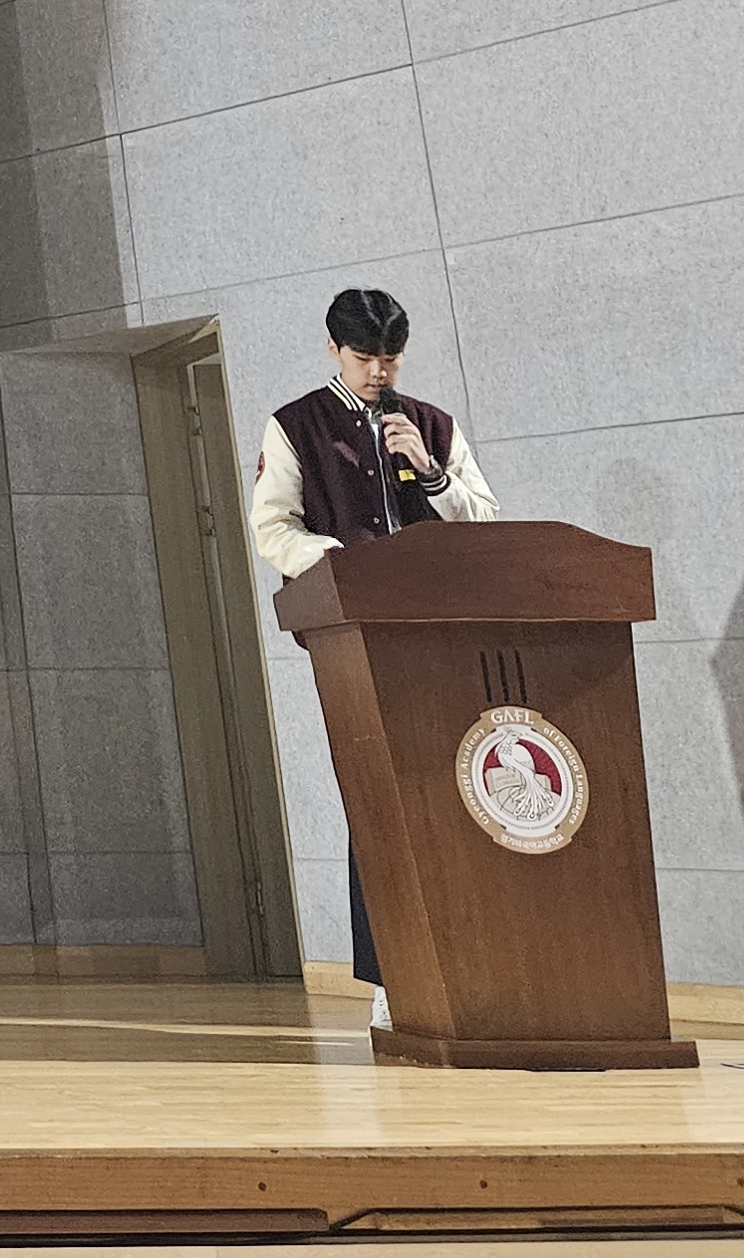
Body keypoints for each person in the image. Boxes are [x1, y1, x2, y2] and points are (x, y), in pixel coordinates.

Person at [247, 285, 498, 1030]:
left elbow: (485, 521)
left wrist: (432, 472)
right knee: (381, 799)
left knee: (459, 789)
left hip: (441, 635)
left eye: (390, 358)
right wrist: (347, 565)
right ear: (334, 349)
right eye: (364, 358)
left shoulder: (431, 425)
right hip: (353, 637)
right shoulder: (296, 425)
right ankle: (392, 978)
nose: (378, 373)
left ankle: (471, 966)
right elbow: (273, 529)